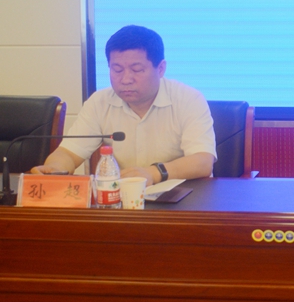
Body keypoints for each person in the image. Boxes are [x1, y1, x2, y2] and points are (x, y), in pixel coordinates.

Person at [32, 25, 216, 184]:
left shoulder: (188, 99)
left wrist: (153, 173)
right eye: (117, 69)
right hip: (122, 200)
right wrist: (54, 168)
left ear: (160, 68)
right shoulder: (99, 102)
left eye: (137, 69)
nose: (126, 79)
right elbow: (68, 153)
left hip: (183, 198)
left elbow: (202, 161)